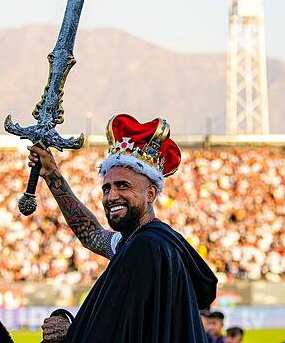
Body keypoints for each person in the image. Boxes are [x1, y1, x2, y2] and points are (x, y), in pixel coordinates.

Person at [31, 114, 218, 343]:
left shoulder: (146, 248)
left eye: (123, 186)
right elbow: (90, 233)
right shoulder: (140, 242)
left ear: (150, 194)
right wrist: (51, 173)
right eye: (106, 188)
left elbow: (117, 335)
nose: (111, 196)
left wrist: (70, 333)